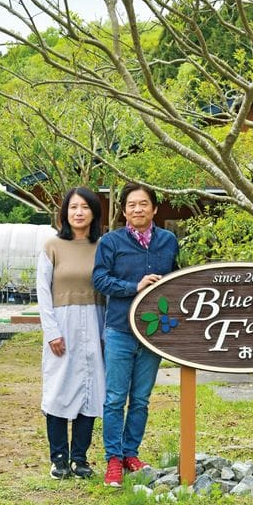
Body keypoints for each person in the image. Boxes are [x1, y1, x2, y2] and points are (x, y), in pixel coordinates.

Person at [92, 183, 179, 488]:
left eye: (143, 204)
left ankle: (131, 453)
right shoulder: (111, 242)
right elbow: (100, 279)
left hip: (154, 332)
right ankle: (113, 460)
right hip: (119, 329)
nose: (137, 209)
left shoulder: (168, 241)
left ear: (154, 209)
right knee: (115, 398)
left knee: (140, 399)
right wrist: (134, 286)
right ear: (124, 210)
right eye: (131, 205)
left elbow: (177, 278)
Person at [36, 188, 107, 479]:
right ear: (65, 212)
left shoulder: (103, 245)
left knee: (91, 388)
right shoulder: (52, 245)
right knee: (58, 389)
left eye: (84, 207)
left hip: (95, 319)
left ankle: (80, 458)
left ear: (94, 212)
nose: (78, 212)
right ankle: (59, 458)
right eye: (73, 207)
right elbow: (42, 290)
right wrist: (52, 331)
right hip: (61, 323)